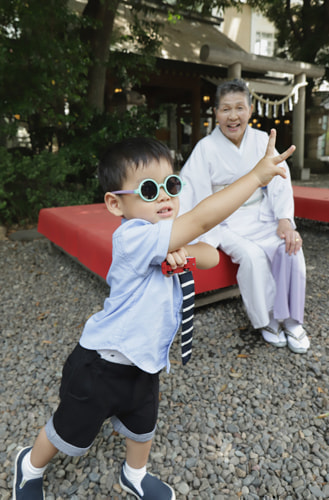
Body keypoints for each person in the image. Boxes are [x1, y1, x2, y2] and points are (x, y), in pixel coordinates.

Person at [13, 132, 293, 500]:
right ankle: (29, 466)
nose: (164, 196)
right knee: (68, 429)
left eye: (171, 185)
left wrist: (183, 253)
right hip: (102, 365)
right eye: (148, 190)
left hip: (146, 362)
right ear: (115, 204)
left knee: (142, 425)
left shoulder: (166, 239)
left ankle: (135, 474)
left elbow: (209, 254)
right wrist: (255, 178)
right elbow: (202, 221)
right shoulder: (133, 237)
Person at [179, 78, 310, 354]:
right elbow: (191, 191)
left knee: (290, 247)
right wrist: (180, 231)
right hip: (226, 221)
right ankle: (268, 320)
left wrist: (285, 220)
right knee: (251, 257)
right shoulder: (205, 148)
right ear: (215, 113)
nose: (233, 116)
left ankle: (292, 320)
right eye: (226, 109)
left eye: (240, 108)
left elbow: (279, 181)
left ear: (250, 110)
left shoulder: (262, 140)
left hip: (261, 214)